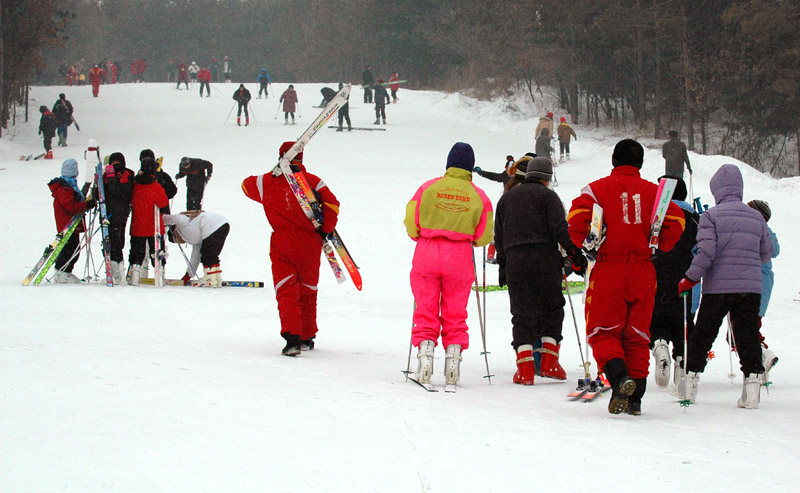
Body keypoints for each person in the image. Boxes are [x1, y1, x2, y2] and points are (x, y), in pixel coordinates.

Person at [567, 139, 685, 415]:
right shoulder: (655, 193)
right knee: (637, 336)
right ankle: (636, 398)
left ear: (614, 161)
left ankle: (621, 380)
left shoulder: (596, 190)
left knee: (603, 331)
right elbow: (676, 220)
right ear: (640, 164)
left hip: (609, 269)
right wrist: (658, 245)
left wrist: (590, 244)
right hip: (644, 271)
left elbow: (575, 220)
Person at [678, 165, 773, 409]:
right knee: (747, 336)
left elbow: (706, 252)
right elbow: (766, 253)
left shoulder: (711, 216)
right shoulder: (755, 216)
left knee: (704, 334)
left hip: (718, 288)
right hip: (750, 288)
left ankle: (690, 384)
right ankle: (752, 389)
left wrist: (690, 277)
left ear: (716, 189)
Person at [403, 142, 494, 387]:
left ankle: (425, 360)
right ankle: (453, 364)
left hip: (428, 250)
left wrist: (420, 234)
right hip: (460, 256)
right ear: (470, 168)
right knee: (456, 312)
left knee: (425, 308)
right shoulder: (479, 196)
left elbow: (411, 220)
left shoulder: (428, 188)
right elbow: (485, 235)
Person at [241, 141, 340, 356]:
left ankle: (292, 338)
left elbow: (245, 185)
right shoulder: (314, 182)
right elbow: (332, 204)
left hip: (282, 242)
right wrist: (326, 228)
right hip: (310, 242)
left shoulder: (266, 183)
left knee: (286, 289)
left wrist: (274, 173)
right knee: (308, 289)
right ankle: (307, 335)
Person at [495, 157, 586, 385]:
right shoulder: (548, 197)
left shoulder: (507, 199)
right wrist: (575, 255)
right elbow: (560, 230)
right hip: (545, 260)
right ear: (547, 178)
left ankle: (524, 369)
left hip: (516, 260)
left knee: (522, 312)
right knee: (552, 309)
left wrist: (503, 265)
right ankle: (549, 363)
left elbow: (500, 236)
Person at [649, 177, 699, 388]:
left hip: (657, 275)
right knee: (684, 323)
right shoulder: (695, 219)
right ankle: (682, 360)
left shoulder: (657, 215)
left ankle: (659, 345)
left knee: (656, 317)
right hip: (685, 278)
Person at [747, 199, 780, 381]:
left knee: (744, 330)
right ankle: (760, 362)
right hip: (760, 284)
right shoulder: (765, 230)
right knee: (748, 327)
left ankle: (763, 356)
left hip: (754, 285)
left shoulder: (760, 230)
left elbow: (773, 250)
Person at [47, 158, 95, 283]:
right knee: (70, 249)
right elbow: (71, 206)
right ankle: (61, 271)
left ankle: (66, 271)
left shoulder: (69, 186)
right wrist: (85, 205)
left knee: (74, 248)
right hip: (67, 224)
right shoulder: (65, 189)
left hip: (71, 223)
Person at [128, 157, 169, 286]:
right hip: (154, 226)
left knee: (136, 252)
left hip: (138, 225)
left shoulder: (135, 185)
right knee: (156, 251)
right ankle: (160, 274)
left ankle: (135, 275)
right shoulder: (155, 186)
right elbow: (163, 203)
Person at [164, 210, 229, 288]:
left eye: (177, 239)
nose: (181, 241)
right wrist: (188, 276)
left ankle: (209, 279)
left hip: (211, 225)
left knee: (207, 254)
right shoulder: (196, 237)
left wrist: (161, 219)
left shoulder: (182, 223)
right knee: (212, 254)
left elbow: (175, 218)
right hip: (223, 224)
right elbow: (196, 256)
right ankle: (216, 278)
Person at [103, 151, 135, 285]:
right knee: (108, 242)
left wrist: (111, 180)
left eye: (118, 162)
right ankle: (112, 269)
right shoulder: (105, 176)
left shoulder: (127, 174)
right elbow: (101, 192)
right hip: (107, 213)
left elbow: (121, 192)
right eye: (113, 163)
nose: (116, 165)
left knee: (117, 242)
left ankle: (118, 272)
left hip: (120, 214)